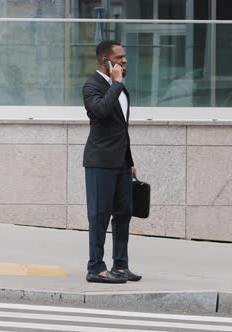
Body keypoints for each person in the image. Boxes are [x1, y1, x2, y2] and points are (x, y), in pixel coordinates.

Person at [82, 40, 141, 284]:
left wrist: (129, 160)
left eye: (125, 57)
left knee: (124, 214)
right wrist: (116, 83)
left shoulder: (122, 88)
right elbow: (102, 111)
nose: (124, 61)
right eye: (119, 58)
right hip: (99, 162)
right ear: (105, 60)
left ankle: (121, 265)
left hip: (121, 163)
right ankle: (95, 267)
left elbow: (120, 129)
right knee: (99, 216)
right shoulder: (91, 86)